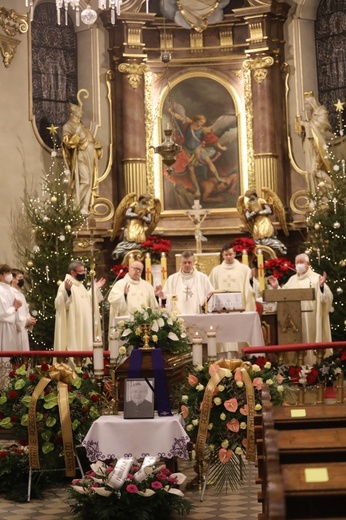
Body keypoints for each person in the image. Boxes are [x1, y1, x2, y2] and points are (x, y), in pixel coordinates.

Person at [267, 253, 333, 365]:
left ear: (308, 264)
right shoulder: (292, 279)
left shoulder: (316, 278)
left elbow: (326, 298)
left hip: (310, 318)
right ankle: (295, 369)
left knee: (309, 341)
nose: (299, 265)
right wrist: (276, 287)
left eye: (301, 262)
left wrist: (321, 287)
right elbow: (284, 296)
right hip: (294, 319)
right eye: (297, 262)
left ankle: (313, 367)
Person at [169, 110, 227, 197]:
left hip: (198, 150)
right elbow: (180, 117)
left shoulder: (203, 129)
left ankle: (218, 178)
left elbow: (213, 139)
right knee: (191, 171)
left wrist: (221, 147)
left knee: (208, 161)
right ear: (196, 120)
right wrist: (171, 112)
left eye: (203, 123)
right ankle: (198, 190)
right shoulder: (188, 123)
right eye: (200, 122)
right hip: (188, 151)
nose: (201, 124)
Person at [54, 260, 106, 351]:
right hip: (74, 325)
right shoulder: (65, 285)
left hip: (84, 325)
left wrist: (95, 288)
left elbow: (87, 301)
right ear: (73, 272)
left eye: (84, 271)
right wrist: (67, 292)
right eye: (81, 272)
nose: (83, 274)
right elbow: (59, 304)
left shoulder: (80, 286)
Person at [62, 102, 103, 214]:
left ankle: (85, 208)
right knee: (84, 180)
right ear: (73, 112)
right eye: (79, 110)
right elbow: (67, 143)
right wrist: (77, 133)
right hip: (80, 154)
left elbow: (90, 139)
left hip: (91, 154)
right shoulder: (68, 126)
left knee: (89, 181)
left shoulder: (83, 126)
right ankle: (73, 205)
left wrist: (96, 146)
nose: (82, 112)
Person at [296, 93, 333, 193]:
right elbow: (310, 132)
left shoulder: (321, 112)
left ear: (311, 103)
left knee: (314, 171)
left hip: (318, 146)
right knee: (310, 173)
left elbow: (321, 127)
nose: (306, 107)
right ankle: (317, 195)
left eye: (307, 104)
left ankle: (332, 187)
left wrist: (306, 124)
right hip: (310, 146)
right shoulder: (311, 115)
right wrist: (302, 131)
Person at [108, 260, 159, 330]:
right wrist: (124, 295)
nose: (137, 271)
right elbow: (112, 300)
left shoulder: (147, 286)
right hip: (126, 325)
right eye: (135, 268)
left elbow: (154, 307)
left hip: (144, 326)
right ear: (129, 269)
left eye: (139, 270)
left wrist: (156, 296)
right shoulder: (120, 284)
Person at [11, 269, 36, 351]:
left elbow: (26, 311)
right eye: (20, 278)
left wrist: (30, 320)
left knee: (24, 358)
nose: (22, 280)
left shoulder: (21, 295)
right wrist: (25, 321)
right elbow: (13, 312)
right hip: (15, 331)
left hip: (23, 330)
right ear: (13, 279)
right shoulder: (10, 293)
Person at [0, 264, 22, 356]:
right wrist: (14, 307)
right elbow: (2, 313)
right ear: (1, 276)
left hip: (11, 326)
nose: (10, 275)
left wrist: (16, 308)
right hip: (3, 326)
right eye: (7, 273)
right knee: (5, 355)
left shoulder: (9, 289)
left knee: (13, 355)